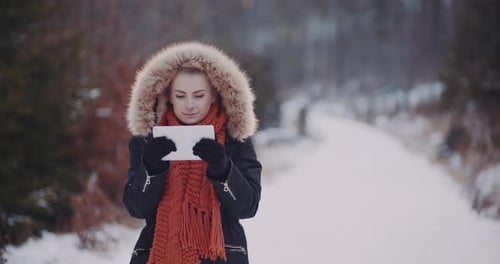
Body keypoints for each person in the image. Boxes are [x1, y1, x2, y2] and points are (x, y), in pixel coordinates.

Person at [123, 42, 262, 264]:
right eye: (180, 96)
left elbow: (248, 207)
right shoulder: (148, 140)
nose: (189, 105)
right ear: (168, 95)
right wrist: (152, 168)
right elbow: (137, 208)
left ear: (214, 95)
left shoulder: (235, 139)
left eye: (198, 95)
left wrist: (223, 168)